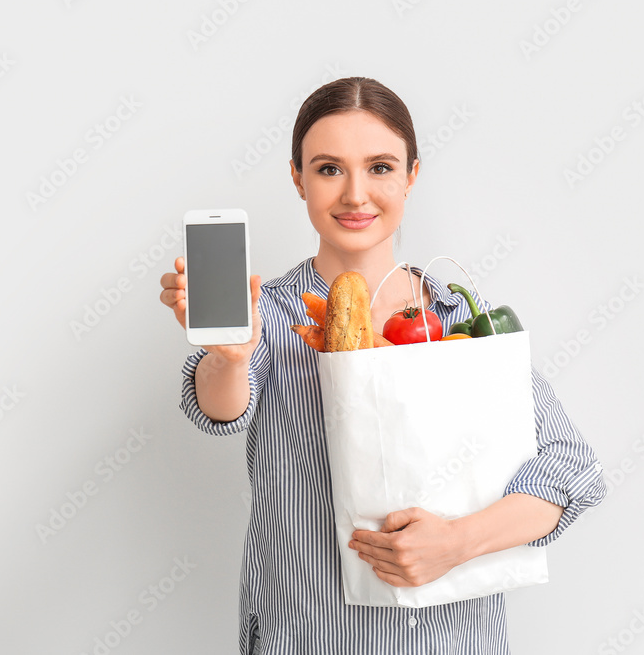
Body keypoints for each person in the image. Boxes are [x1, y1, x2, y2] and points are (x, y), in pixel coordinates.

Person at [159, 76, 605, 654]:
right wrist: (229, 355)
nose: (354, 195)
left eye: (379, 167)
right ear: (297, 178)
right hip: (310, 635)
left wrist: (457, 542)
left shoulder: (458, 319)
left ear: (411, 175)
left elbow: (571, 469)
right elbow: (221, 407)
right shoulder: (267, 316)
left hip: (455, 639)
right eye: (328, 169)